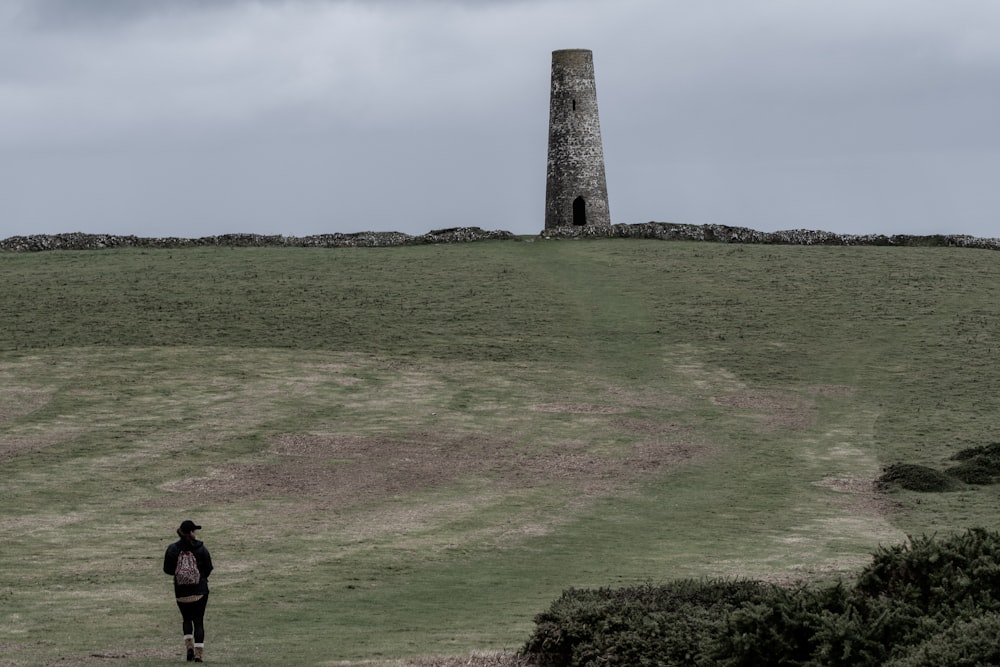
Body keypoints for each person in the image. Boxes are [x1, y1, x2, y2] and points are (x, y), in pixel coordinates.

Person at [163, 520, 213, 662]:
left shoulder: (172, 549)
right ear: (191, 532)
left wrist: (180, 575)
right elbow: (209, 567)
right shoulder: (201, 549)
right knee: (198, 622)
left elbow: (167, 569)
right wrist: (200, 578)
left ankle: (188, 647)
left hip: (181, 593)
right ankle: (198, 655)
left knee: (186, 620)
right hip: (200, 591)